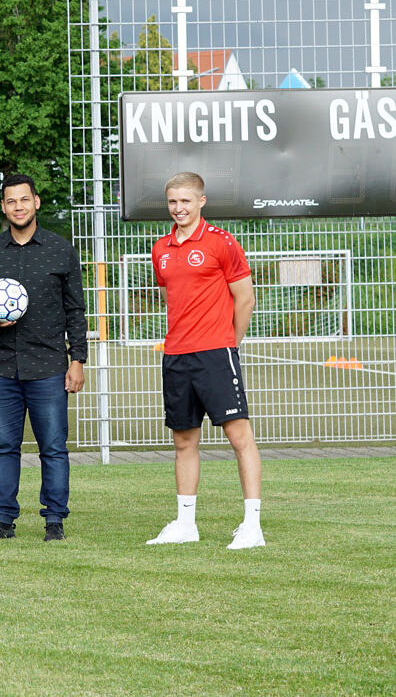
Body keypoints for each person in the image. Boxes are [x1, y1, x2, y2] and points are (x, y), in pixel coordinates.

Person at [0, 174, 87, 543]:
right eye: (10, 201)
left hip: (48, 367)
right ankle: (3, 521)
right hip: (1, 367)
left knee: (53, 448)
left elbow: (75, 312)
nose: (17, 206)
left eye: (24, 200)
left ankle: (54, 522)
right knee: (3, 447)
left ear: (36, 202)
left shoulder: (60, 250)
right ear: (3, 207)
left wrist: (77, 359)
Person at [147, 172, 264, 549]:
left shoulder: (222, 243)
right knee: (184, 440)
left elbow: (244, 298)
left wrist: (229, 342)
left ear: (201, 201)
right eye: (172, 202)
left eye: (185, 201)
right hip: (176, 354)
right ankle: (185, 524)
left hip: (215, 353)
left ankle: (252, 526)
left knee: (239, 436)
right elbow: (175, 297)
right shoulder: (160, 248)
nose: (178, 208)